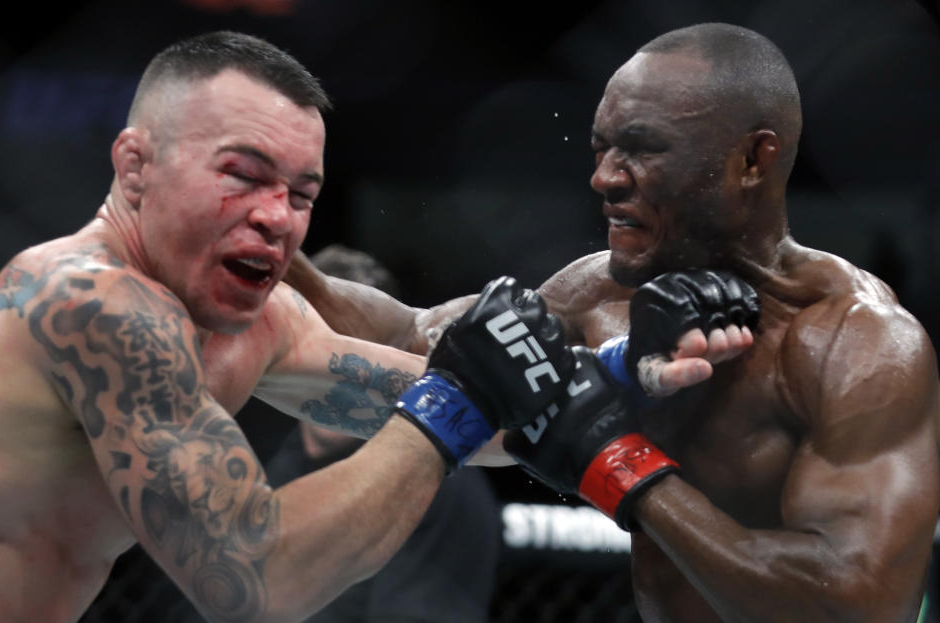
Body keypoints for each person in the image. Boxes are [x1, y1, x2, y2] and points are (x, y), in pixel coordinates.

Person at [285, 22, 940, 623]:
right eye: (601, 148)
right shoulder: (598, 290)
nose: (603, 177)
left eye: (642, 149)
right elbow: (412, 339)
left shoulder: (860, 343)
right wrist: (277, 256)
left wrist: (615, 460)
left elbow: (859, 605)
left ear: (753, 159)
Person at [0, 30, 591, 623]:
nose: (277, 217)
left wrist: (620, 372)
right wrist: (454, 402)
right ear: (135, 165)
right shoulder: (88, 302)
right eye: (243, 175)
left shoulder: (260, 324)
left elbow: (488, 417)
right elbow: (256, 582)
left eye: (301, 195)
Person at [264, 244, 501, 623]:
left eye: (347, 360)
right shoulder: (270, 457)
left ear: (379, 361)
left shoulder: (443, 481)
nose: (332, 374)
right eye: (322, 353)